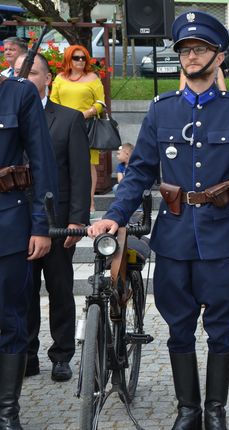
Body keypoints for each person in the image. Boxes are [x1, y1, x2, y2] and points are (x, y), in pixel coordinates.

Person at [88, 11, 229, 429]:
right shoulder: (162, 110)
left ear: (218, 57)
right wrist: (115, 215)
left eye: (200, 49)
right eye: (185, 50)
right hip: (176, 238)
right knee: (178, 328)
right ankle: (188, 410)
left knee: (220, 330)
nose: (191, 56)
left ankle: (215, 412)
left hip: (223, 237)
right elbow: (140, 172)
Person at [13, 53, 91, 382]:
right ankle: (27, 355)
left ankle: (61, 355)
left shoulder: (69, 119)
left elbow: (80, 175)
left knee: (59, 289)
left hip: (58, 221)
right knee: (22, 292)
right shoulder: (9, 117)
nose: (24, 78)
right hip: (16, 220)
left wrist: (77, 219)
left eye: (31, 73)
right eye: (18, 73)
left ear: (47, 79)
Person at [0, 57, 58, 428]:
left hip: (8, 222)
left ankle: (8, 411)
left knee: (10, 317)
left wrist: (41, 224)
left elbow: (41, 163)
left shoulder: (17, 95)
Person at [50, 45, 105, 216]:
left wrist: (86, 113)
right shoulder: (59, 78)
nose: (80, 61)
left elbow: (101, 103)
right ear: (68, 59)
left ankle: (89, 202)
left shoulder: (93, 78)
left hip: (86, 126)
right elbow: (53, 100)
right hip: (62, 127)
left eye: (83, 58)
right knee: (63, 161)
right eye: (76, 58)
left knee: (88, 165)